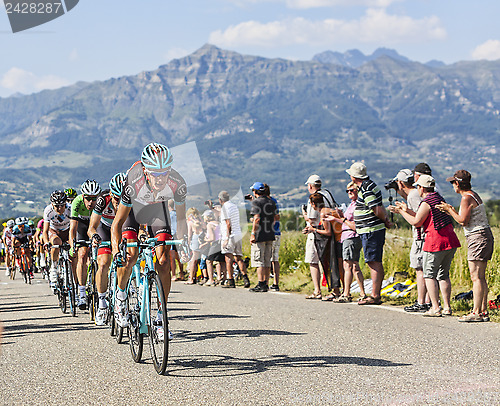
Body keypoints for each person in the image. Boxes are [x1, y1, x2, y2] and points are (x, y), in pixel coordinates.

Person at [111, 143, 187, 340]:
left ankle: (161, 317)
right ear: (145, 170)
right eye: (155, 173)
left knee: (163, 260)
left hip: (157, 211)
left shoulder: (177, 183)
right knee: (130, 256)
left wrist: (183, 242)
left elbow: (181, 219)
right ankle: (120, 297)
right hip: (133, 212)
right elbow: (117, 224)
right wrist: (115, 250)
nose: (160, 178)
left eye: (165, 173)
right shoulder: (132, 182)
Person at [391, 175, 460, 317]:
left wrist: (402, 212)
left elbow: (417, 222)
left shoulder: (426, 201)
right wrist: (406, 209)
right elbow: (423, 217)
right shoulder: (438, 198)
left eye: (418, 187)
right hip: (450, 240)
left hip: (435, 241)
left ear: (421, 188)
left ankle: (435, 308)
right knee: (443, 275)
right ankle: (446, 307)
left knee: (429, 275)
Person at [437, 170, 494, 322]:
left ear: (458, 183)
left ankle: (476, 312)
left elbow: (463, 221)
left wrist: (449, 210)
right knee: (481, 277)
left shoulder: (465, 198)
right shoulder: (473, 194)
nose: (452, 186)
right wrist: (452, 210)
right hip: (484, 235)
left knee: (476, 277)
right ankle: (483, 311)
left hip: (477, 237)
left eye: (452, 183)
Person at [346, 162, 391, 305]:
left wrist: (384, 220)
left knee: (373, 261)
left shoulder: (366, 188)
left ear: (354, 177)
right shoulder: (369, 186)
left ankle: (375, 295)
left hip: (371, 229)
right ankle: (374, 293)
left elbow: (376, 208)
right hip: (369, 229)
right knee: (373, 260)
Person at [388, 169, 430, 312]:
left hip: (420, 236)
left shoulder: (412, 196)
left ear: (400, 183)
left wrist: (402, 212)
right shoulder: (414, 193)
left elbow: (418, 218)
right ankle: (427, 301)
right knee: (425, 270)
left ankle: (422, 301)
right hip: (423, 235)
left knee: (420, 269)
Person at [87, 173, 125, 326]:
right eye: (117, 199)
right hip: (104, 228)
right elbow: (92, 227)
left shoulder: (130, 201)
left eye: (123, 199)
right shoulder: (103, 200)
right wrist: (95, 236)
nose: (119, 203)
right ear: (111, 194)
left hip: (122, 228)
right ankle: (102, 302)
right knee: (103, 263)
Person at [302, 174, 342, 299]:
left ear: (310, 186)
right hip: (333, 233)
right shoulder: (327, 194)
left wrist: (304, 215)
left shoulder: (314, 199)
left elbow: (312, 218)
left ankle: (317, 290)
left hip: (318, 232)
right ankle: (333, 289)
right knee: (329, 261)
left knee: (313, 261)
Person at [329, 182, 366, 302]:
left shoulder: (357, 205)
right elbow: (346, 222)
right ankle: (362, 292)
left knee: (348, 265)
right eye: (347, 191)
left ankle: (346, 293)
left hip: (351, 236)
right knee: (354, 265)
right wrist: (338, 218)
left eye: (352, 190)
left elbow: (354, 225)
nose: (349, 192)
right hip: (348, 236)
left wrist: (342, 218)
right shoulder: (352, 204)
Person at [69, 179, 102, 310]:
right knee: (82, 254)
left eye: (94, 199)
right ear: (83, 196)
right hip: (82, 226)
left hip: (97, 226)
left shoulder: (101, 203)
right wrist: (72, 246)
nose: (90, 202)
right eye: (87, 198)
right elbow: (73, 228)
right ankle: (81, 291)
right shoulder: (76, 202)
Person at [248, 182, 278, 292]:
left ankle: (260, 283)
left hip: (260, 233)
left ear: (255, 191)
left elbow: (257, 218)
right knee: (267, 259)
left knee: (259, 259)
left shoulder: (256, 202)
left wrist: (253, 233)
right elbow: (275, 217)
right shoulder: (271, 201)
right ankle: (266, 282)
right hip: (270, 232)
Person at [218, 190, 250, 288]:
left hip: (229, 236)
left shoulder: (225, 208)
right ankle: (245, 278)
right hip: (237, 234)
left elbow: (228, 223)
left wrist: (226, 238)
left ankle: (230, 280)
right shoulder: (234, 206)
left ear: (220, 200)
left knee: (228, 259)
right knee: (238, 257)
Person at [303, 193, 333, 298]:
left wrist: (313, 229)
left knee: (316, 262)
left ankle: (322, 290)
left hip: (325, 242)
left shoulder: (323, 213)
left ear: (313, 204)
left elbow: (328, 231)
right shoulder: (325, 210)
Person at [43, 190, 72, 292]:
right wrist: (46, 242)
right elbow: (45, 231)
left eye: (62, 206)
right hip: (54, 231)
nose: (59, 209)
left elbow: (74, 228)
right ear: (52, 205)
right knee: (56, 243)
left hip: (67, 230)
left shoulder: (70, 209)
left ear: (66, 203)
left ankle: (70, 273)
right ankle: (54, 268)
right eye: (56, 206)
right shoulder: (48, 210)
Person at [264, 184, 281, 291]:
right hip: (276, 232)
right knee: (274, 259)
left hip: (271, 232)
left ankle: (266, 282)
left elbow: (276, 216)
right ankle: (275, 282)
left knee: (268, 258)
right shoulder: (273, 201)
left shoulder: (268, 202)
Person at [168, 199, 184, 281]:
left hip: (171, 235)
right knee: (178, 256)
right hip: (178, 235)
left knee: (172, 257)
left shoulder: (169, 215)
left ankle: (173, 275)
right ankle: (181, 273)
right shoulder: (177, 214)